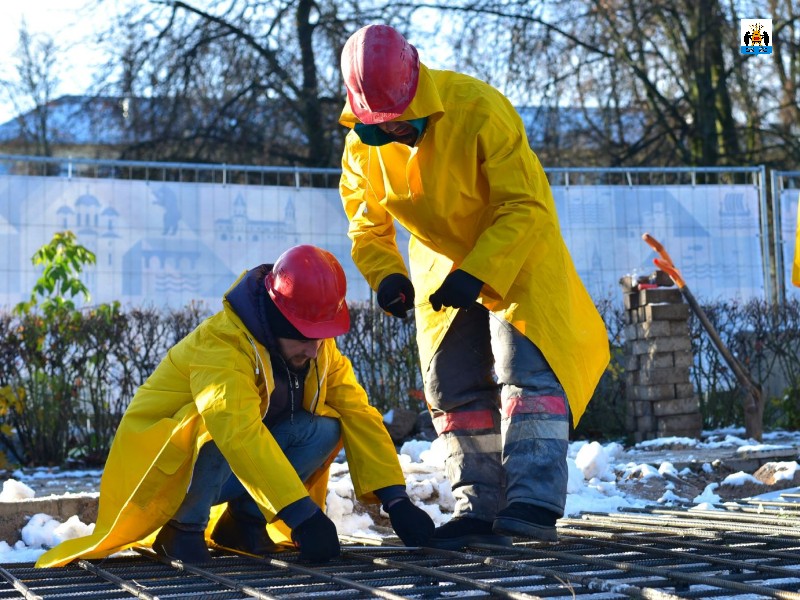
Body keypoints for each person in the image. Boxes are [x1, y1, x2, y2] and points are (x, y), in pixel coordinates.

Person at [338, 24, 610, 550]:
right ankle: (478, 507)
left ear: (417, 93)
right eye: (379, 129)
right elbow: (366, 227)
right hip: (440, 264)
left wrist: (480, 270)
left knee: (526, 373)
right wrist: (386, 275)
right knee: (452, 385)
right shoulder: (359, 146)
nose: (391, 135)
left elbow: (522, 205)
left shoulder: (479, 109)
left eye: (400, 124)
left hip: (517, 252)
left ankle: (532, 503)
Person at [36, 244, 434, 568]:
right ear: (280, 321)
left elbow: (357, 411)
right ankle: (182, 530)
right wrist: (301, 515)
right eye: (306, 337)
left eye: (322, 335)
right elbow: (234, 428)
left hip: (228, 471)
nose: (315, 349)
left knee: (327, 427)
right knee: (212, 431)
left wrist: (396, 500)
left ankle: (243, 525)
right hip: (165, 476)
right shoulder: (222, 344)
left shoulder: (317, 346)